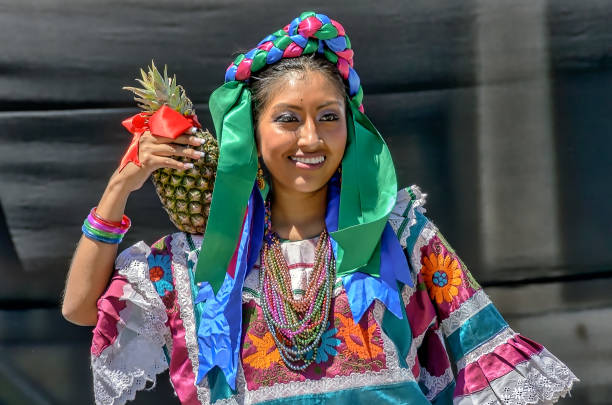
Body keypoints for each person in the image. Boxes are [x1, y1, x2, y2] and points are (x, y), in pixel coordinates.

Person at [62, 11, 578, 405]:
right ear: (250, 133)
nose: (310, 138)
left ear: (349, 130)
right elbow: (82, 309)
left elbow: (485, 359)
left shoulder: (398, 232)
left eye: (328, 117)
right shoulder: (199, 260)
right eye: (288, 119)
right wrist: (119, 188)